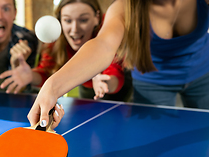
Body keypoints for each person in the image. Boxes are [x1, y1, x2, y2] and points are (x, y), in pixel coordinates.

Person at [28, 0, 209, 128]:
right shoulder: (125, 7)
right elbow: (103, 45)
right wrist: (51, 87)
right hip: (152, 83)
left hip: (203, 73)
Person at [1, 0, 128, 100]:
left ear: (97, 18)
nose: (74, 29)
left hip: (117, 94)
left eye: (83, 20)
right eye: (67, 20)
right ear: (60, 21)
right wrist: (30, 76)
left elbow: (115, 75)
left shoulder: (108, 31)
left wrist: (106, 83)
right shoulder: (56, 39)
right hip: (86, 88)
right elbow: (48, 72)